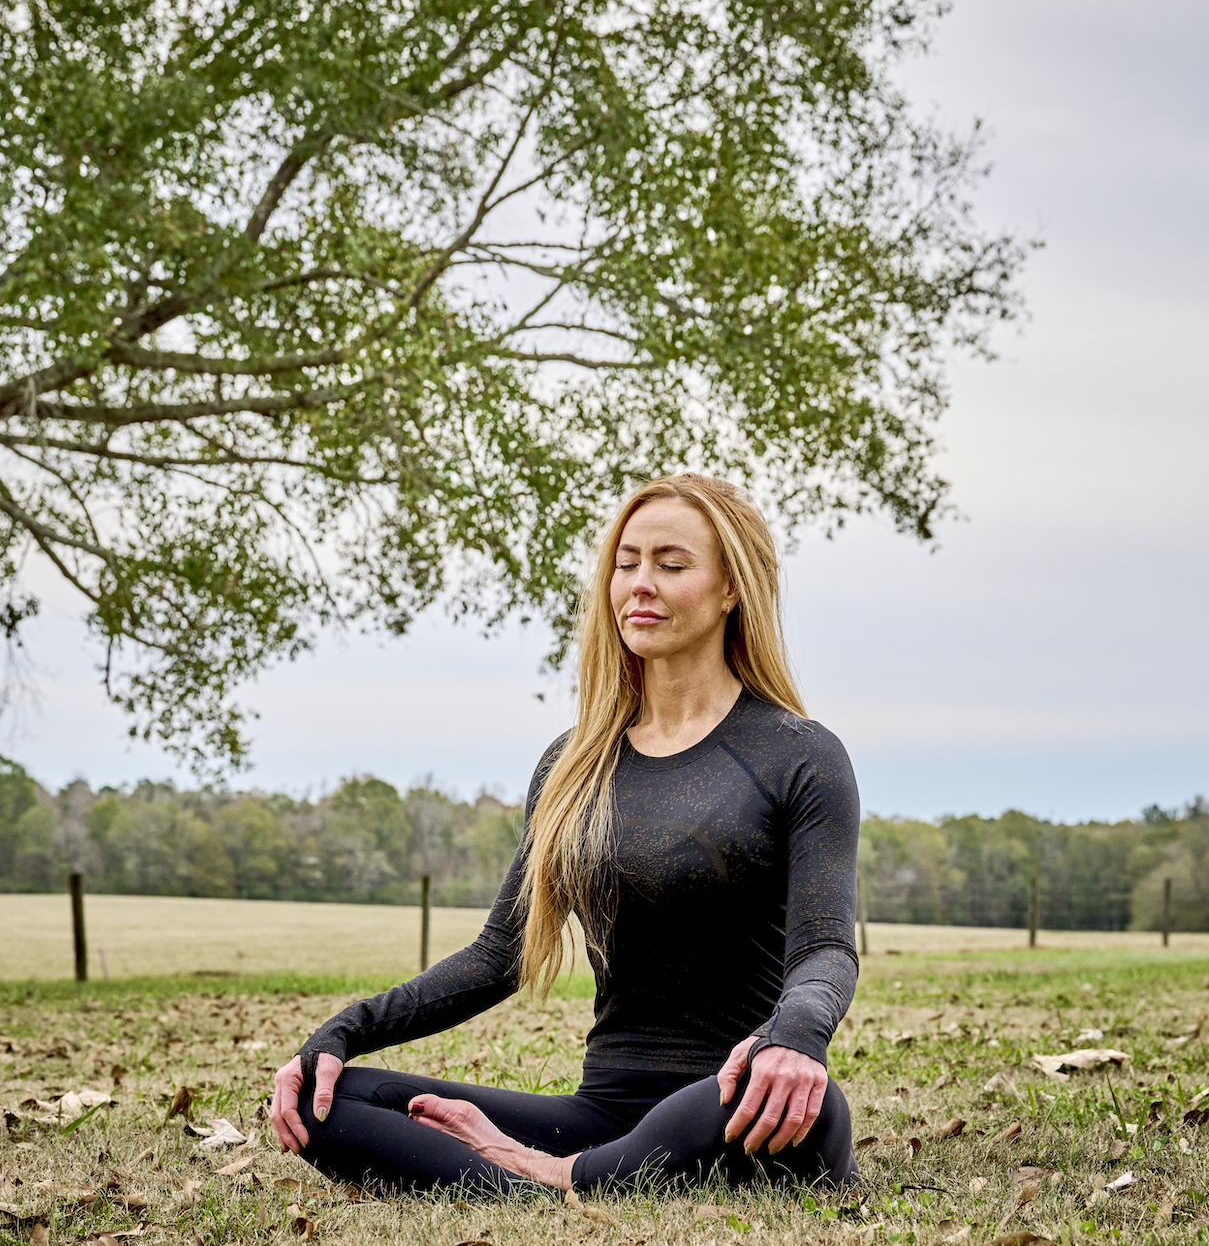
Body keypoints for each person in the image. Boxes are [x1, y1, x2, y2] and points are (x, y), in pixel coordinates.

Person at [267, 474, 861, 1195]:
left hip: (737, 1104)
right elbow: (499, 954)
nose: (640, 583)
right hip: (604, 1113)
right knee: (325, 1095)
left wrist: (795, 1037)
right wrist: (343, 1032)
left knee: (796, 1096)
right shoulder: (573, 762)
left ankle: (558, 1177)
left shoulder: (800, 754)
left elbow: (826, 949)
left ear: (731, 587)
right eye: (626, 561)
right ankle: (556, 1180)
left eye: (671, 565)